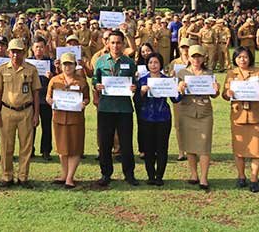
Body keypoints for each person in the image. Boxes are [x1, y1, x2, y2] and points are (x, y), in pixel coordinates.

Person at [92, 30, 139, 187]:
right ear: (107, 43)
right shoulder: (101, 62)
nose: (115, 45)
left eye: (118, 42)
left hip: (124, 108)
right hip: (106, 107)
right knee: (105, 143)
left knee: (126, 143)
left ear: (123, 44)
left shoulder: (129, 62)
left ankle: (129, 174)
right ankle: (106, 174)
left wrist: (134, 87)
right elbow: (94, 79)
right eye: (112, 42)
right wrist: (96, 85)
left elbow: (135, 81)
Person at [222, 47, 259, 193]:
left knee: (257, 150)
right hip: (239, 115)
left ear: (250, 58)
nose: (242, 60)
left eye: (245, 57)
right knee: (239, 149)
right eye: (239, 57)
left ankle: (254, 178)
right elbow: (224, 94)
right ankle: (241, 176)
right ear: (235, 59)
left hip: (257, 115)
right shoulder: (231, 73)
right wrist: (228, 93)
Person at [0, 38, 40, 188]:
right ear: (8, 52)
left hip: (26, 110)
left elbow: (36, 93)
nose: (15, 55)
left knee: (26, 146)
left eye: (18, 51)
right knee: (7, 145)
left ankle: (23, 176)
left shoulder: (31, 69)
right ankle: (7, 176)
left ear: (24, 52)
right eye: (13, 51)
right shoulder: (2, 69)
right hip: (7, 111)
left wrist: (36, 114)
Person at [176, 45, 220, 191]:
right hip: (186, 111)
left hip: (204, 112)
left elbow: (213, 95)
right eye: (193, 56)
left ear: (204, 57)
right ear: (188, 57)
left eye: (199, 56)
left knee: (204, 145)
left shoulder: (209, 73)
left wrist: (216, 89)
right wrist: (179, 87)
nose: (196, 59)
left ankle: (204, 177)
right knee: (189, 145)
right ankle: (194, 174)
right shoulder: (181, 73)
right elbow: (175, 96)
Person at [46, 52, 90, 189]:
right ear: (61, 65)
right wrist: (50, 101)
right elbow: (48, 97)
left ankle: (70, 177)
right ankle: (64, 175)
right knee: (62, 148)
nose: (67, 67)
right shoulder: (54, 80)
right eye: (65, 64)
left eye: (70, 64)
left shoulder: (81, 81)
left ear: (75, 65)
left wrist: (84, 103)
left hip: (75, 119)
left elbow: (87, 98)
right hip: (59, 118)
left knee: (75, 148)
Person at [135, 53, 179, 185]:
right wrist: (141, 92)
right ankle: (150, 176)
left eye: (156, 62)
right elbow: (136, 101)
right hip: (146, 117)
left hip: (163, 117)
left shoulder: (168, 80)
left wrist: (179, 90)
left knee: (162, 148)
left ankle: (159, 176)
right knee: (148, 149)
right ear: (147, 65)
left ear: (160, 64)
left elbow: (175, 100)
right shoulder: (142, 80)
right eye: (150, 63)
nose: (153, 65)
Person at [29, 36, 55, 161]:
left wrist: (52, 76)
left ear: (45, 48)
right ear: (32, 48)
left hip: (45, 99)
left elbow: (57, 81)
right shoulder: (27, 62)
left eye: (41, 47)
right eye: (37, 47)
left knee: (46, 126)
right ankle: (30, 150)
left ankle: (46, 151)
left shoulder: (50, 63)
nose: (39, 49)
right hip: (30, 99)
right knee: (30, 126)